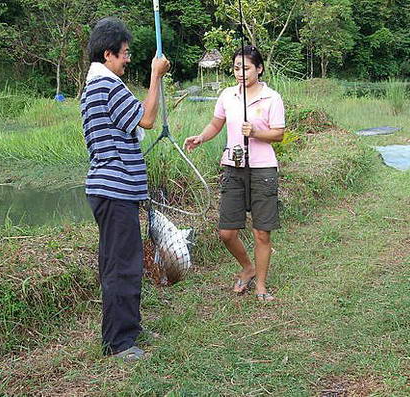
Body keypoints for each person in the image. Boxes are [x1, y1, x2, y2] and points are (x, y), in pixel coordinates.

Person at [81, 17, 170, 360]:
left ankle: (127, 331)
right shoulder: (106, 86)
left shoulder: (96, 85)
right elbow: (146, 119)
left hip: (112, 190)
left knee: (119, 263)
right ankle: (120, 343)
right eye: (125, 54)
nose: (127, 59)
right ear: (108, 54)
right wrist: (155, 76)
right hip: (114, 190)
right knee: (123, 266)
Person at [184, 45, 285, 302]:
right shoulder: (227, 95)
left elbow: (279, 133)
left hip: (263, 169)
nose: (241, 73)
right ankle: (247, 267)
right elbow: (216, 123)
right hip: (233, 166)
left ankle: (261, 284)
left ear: (259, 69)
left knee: (262, 231)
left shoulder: (271, 97)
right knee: (226, 232)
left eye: (247, 68)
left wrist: (256, 133)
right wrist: (201, 137)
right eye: (237, 68)